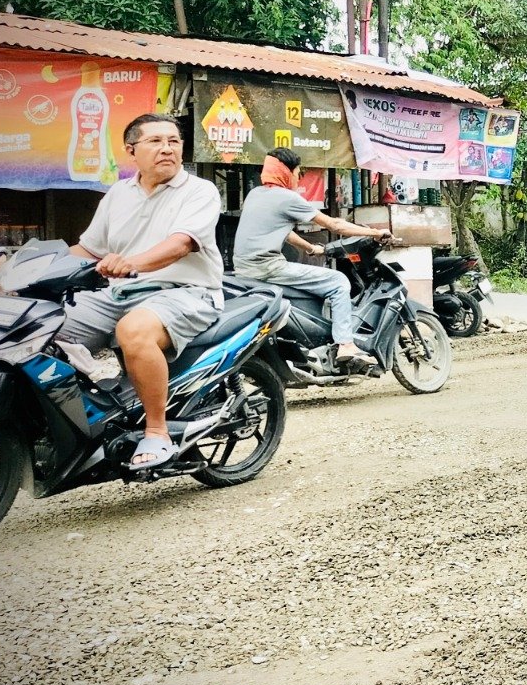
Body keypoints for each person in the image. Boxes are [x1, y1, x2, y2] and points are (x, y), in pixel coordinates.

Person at [56, 113, 223, 470]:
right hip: (121, 293)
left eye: (173, 141)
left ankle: (157, 432)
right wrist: (34, 267)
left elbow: (181, 244)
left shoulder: (200, 191)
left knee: (132, 330)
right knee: (46, 326)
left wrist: (131, 263)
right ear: (131, 150)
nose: (167, 149)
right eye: (156, 141)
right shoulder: (119, 193)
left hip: (187, 291)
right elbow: (88, 249)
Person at [233, 147, 392, 364]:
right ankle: (346, 344)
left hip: (243, 269)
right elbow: (335, 225)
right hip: (267, 268)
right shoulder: (287, 198)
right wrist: (376, 232)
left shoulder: (255, 195)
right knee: (338, 281)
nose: (298, 178)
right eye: (298, 173)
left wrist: (310, 248)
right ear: (287, 172)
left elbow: (284, 232)